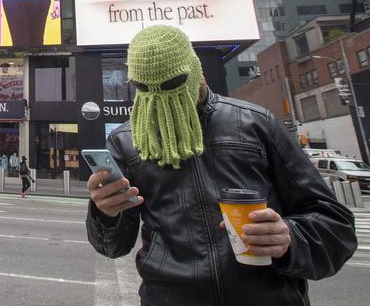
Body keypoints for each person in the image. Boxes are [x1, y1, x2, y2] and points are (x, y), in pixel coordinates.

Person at [86, 25, 357, 306]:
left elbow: (335, 226)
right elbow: (113, 246)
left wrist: (290, 238)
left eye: (171, 83)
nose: (159, 97)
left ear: (196, 71)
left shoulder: (255, 124)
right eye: (143, 87)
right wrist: (105, 213)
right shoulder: (127, 140)